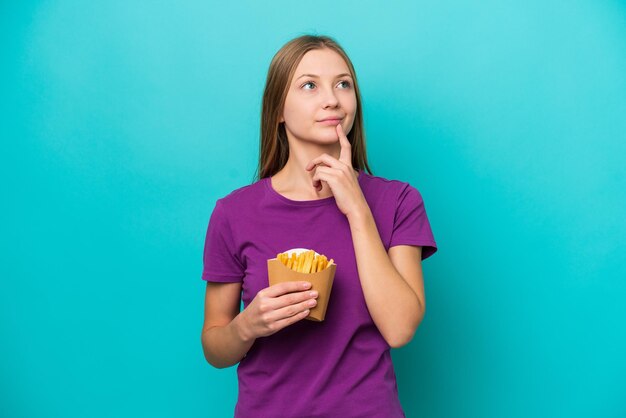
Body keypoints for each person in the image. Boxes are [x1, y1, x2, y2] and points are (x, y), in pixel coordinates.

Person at [200, 34, 437, 418]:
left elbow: (399, 329)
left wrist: (358, 210)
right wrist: (248, 326)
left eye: (343, 84)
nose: (333, 99)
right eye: (309, 85)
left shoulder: (398, 202)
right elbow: (214, 347)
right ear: (278, 108)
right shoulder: (233, 213)